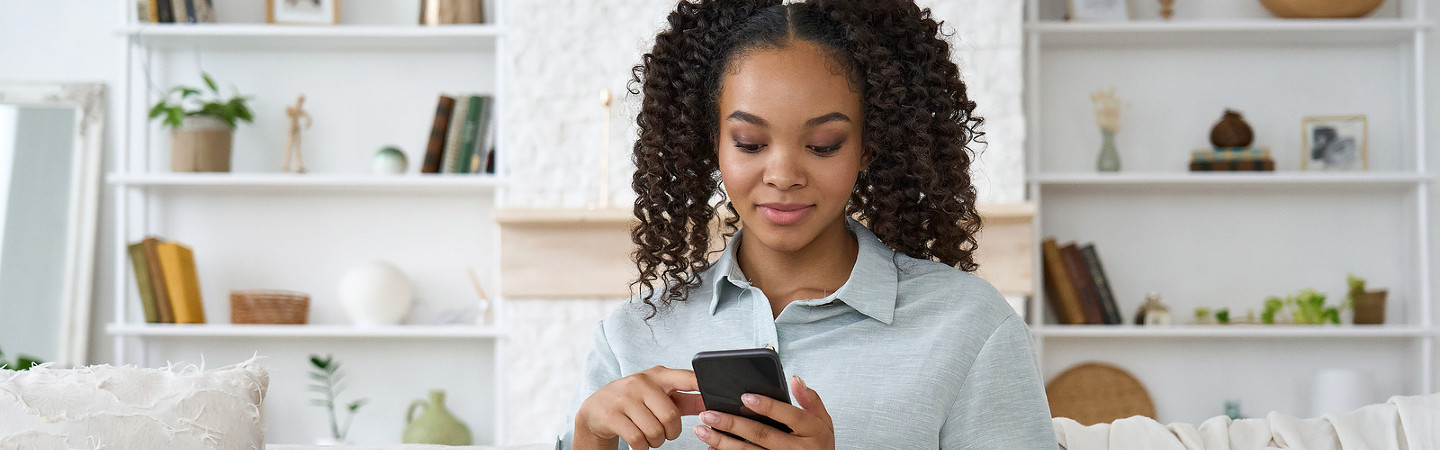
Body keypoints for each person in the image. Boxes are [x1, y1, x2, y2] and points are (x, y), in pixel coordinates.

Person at [562, 0, 1056, 448]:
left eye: (823, 145)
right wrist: (589, 435)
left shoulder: (968, 326)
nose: (783, 176)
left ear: (869, 146)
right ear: (711, 143)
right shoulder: (631, 336)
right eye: (750, 143)